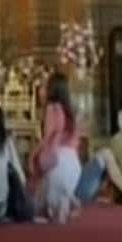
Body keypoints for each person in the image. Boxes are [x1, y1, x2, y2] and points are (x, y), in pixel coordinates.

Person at [30, 73, 81, 223]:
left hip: (57, 162)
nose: (41, 90)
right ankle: (65, 199)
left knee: (39, 199)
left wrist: (33, 155)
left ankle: (57, 203)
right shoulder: (71, 111)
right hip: (73, 164)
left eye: (45, 86)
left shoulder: (51, 109)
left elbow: (48, 138)